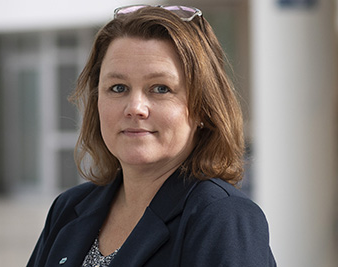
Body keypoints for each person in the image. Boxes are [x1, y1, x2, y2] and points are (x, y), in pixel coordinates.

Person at [27, 5, 276, 267]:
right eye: (118, 87)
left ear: (204, 106)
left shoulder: (222, 217)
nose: (135, 107)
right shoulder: (69, 208)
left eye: (160, 88)